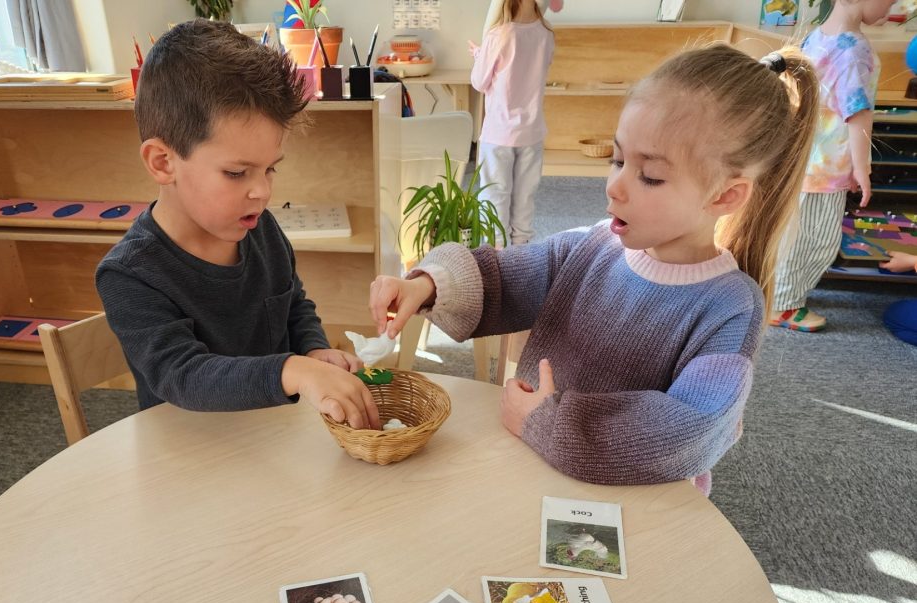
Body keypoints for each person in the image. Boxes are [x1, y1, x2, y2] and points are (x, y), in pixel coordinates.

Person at [369, 43, 819, 493]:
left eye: (650, 176)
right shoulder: (591, 247)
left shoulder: (731, 306)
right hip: (536, 465)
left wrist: (549, 424)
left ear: (724, 196)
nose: (615, 186)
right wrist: (427, 285)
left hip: (631, 499)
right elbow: (503, 278)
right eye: (618, 160)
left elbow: (691, 426)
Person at [96, 20, 379, 429]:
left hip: (273, 434)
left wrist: (314, 351)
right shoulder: (130, 274)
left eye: (270, 169)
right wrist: (293, 370)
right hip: (188, 449)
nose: (261, 192)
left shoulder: (260, 228)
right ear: (163, 162)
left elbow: (293, 306)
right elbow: (184, 375)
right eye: (236, 173)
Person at [770, 0, 893, 332]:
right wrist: (861, 168)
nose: (893, 6)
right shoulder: (854, 50)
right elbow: (857, 113)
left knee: (794, 235)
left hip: (802, 159)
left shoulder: (816, 37)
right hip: (825, 170)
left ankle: (780, 292)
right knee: (816, 241)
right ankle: (782, 304)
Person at [467, 0, 562, 246]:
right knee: (524, 199)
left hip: (499, 134)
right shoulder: (546, 33)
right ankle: (522, 253)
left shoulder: (499, 35)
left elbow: (479, 82)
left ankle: (497, 255)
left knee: (494, 197)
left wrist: (479, 55)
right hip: (532, 132)